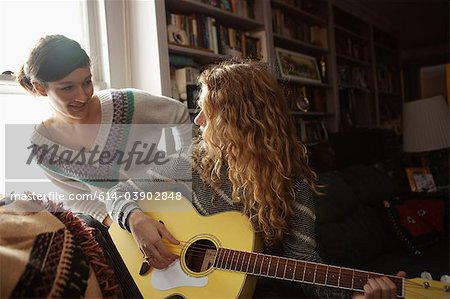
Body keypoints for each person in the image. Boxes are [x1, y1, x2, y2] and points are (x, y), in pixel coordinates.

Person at [107, 59, 404, 298]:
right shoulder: (191, 163)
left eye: (206, 111)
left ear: (240, 118)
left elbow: (304, 262)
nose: (197, 121)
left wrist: (354, 297)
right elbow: (117, 192)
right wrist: (136, 219)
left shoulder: (292, 183)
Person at [16, 34, 191, 225]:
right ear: (40, 88)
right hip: (122, 229)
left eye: (87, 82)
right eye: (67, 88)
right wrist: (123, 225)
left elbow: (179, 114)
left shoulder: (126, 104)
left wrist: (184, 175)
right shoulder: (42, 145)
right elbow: (76, 197)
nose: (83, 96)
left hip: (178, 211)